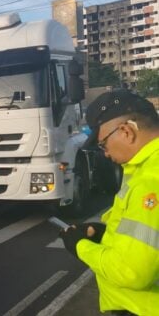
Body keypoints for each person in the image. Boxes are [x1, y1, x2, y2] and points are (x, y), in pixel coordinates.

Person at [60, 89, 159, 316]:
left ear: (126, 131)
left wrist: (79, 246)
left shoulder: (151, 181)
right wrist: (104, 234)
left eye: (103, 144)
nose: (104, 154)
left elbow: (131, 272)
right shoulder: (144, 168)